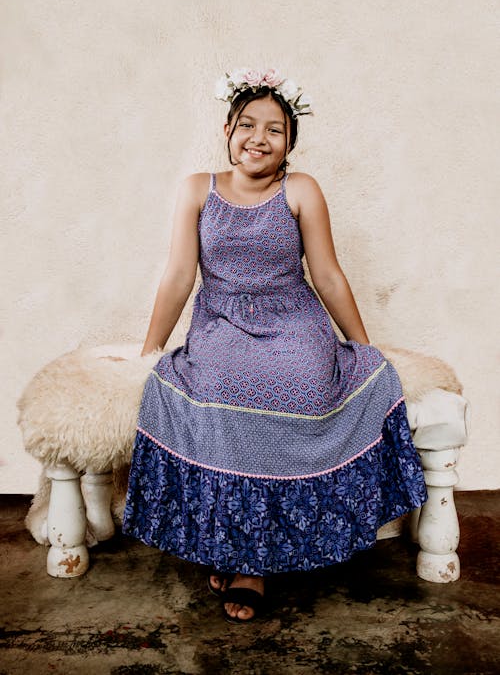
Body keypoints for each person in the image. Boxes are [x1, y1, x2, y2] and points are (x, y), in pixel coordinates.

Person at [122, 67, 427, 623]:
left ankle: (255, 558)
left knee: (302, 386)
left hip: (293, 322)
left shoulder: (301, 190)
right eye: (247, 125)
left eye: (275, 130)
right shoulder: (197, 189)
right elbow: (177, 277)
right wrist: (149, 351)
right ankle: (235, 551)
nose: (258, 138)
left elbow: (328, 276)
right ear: (227, 129)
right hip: (221, 324)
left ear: (290, 142)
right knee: (219, 386)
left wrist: (365, 348)